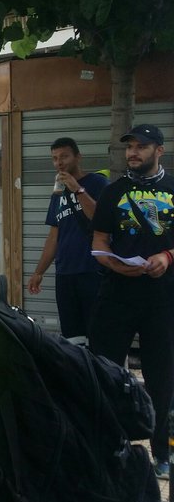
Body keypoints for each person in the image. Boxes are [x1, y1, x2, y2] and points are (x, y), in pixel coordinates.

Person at [89, 123, 173, 478]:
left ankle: (161, 453)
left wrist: (168, 257)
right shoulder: (113, 192)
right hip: (118, 295)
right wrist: (110, 262)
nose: (133, 153)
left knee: (161, 378)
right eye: (130, 147)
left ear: (159, 151)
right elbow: (100, 240)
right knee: (106, 371)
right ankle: (108, 445)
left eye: (141, 146)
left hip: (163, 299)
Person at [27, 137, 109, 343]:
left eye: (64, 156)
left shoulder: (97, 183)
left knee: (98, 332)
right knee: (72, 336)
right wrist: (38, 272)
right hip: (65, 273)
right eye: (55, 158)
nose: (59, 163)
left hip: (92, 270)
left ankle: (100, 373)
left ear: (78, 157)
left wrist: (77, 189)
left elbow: (103, 219)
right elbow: (54, 235)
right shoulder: (57, 193)